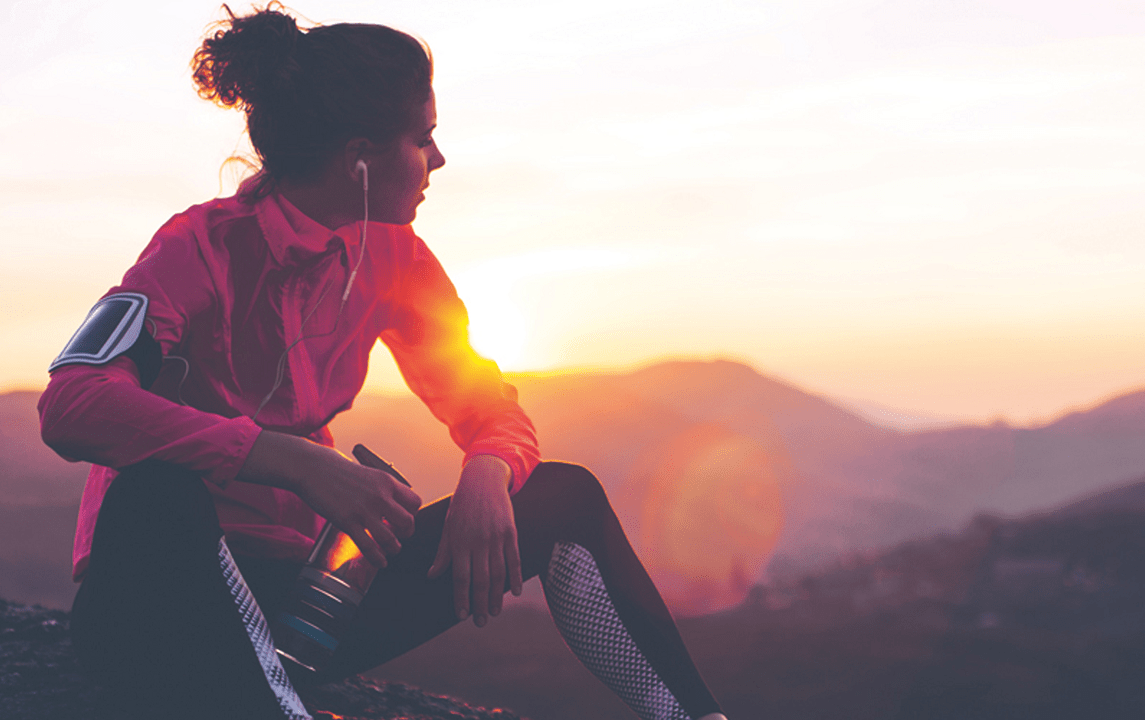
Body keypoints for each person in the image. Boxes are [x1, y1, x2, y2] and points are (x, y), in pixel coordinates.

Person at [38, 5, 728, 720]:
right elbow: (72, 404)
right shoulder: (197, 248)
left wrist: (491, 467)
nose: (438, 160)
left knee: (564, 496)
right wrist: (288, 460)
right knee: (158, 492)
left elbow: (485, 399)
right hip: (162, 607)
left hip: (306, 610)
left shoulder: (396, 257)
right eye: (423, 138)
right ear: (360, 158)